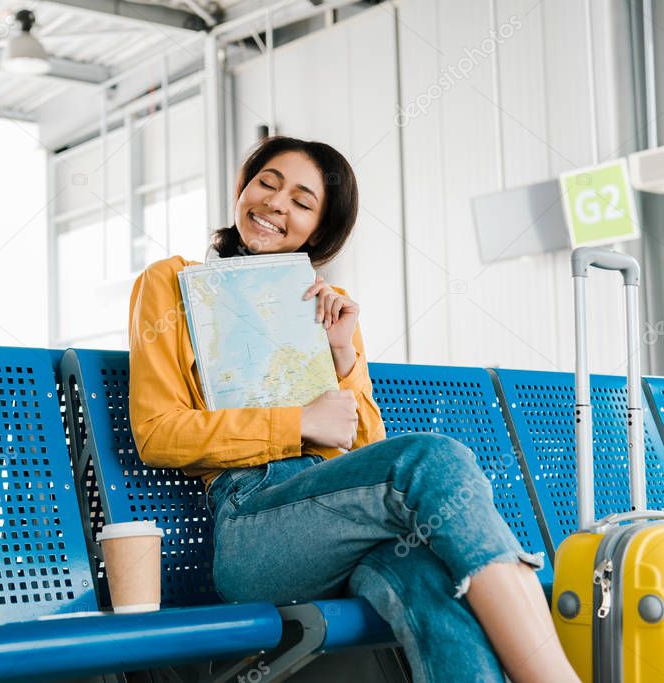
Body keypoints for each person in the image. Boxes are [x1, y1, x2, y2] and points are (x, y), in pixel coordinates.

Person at [127, 135, 579, 682]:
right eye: (267, 184)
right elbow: (157, 433)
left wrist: (341, 354)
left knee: (430, 584)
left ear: (318, 230)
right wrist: (298, 423)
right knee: (432, 460)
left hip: (342, 521)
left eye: (301, 201)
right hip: (253, 527)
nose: (275, 204)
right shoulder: (169, 282)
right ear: (243, 190)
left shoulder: (326, 305)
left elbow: (364, 450)